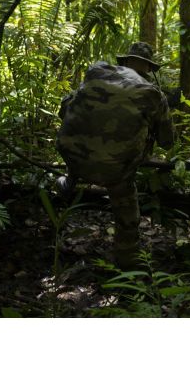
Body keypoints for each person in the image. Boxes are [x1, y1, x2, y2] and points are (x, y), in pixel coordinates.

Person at [56, 42, 175, 268]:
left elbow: (65, 111)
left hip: (72, 156)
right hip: (115, 170)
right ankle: (127, 256)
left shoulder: (97, 72)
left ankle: (70, 179)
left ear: (125, 61)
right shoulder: (152, 94)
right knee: (124, 199)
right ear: (148, 68)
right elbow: (167, 142)